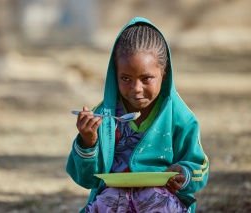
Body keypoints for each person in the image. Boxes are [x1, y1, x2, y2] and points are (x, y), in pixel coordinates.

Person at [66, 17, 209, 213]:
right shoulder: (103, 117)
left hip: (163, 200)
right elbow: (87, 179)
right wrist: (87, 142)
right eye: (125, 78)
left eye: (146, 78)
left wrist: (184, 173)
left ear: (164, 74)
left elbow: (199, 167)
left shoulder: (181, 118)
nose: (136, 89)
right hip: (113, 199)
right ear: (114, 75)